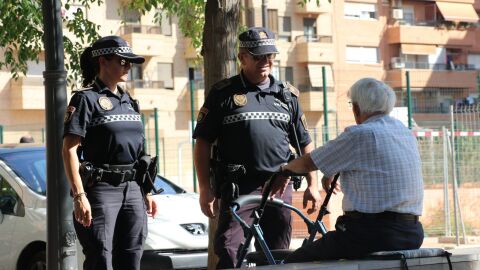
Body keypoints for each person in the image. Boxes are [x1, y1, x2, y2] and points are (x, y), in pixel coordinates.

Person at [193, 27, 321, 269]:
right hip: (239, 188)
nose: (265, 62)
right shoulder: (223, 93)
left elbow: (305, 142)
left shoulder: (287, 96)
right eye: (258, 56)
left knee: (276, 255)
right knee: (230, 252)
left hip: (279, 187)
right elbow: (202, 143)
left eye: (269, 56)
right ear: (242, 58)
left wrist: (313, 184)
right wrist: (204, 189)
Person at [271, 77, 424, 263]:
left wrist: (284, 169)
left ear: (357, 108)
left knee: (297, 261)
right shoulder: (405, 132)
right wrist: (331, 171)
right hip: (412, 233)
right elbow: (371, 163)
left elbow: (309, 162)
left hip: (371, 235)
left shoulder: (360, 134)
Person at [62, 35, 157, 270]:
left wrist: (146, 190)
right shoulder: (86, 99)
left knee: (132, 257)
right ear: (103, 61)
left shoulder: (129, 101)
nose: (128, 66)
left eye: (130, 62)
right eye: (122, 61)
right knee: (101, 258)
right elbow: (69, 150)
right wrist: (79, 195)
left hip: (133, 189)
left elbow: (139, 151)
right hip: (101, 190)